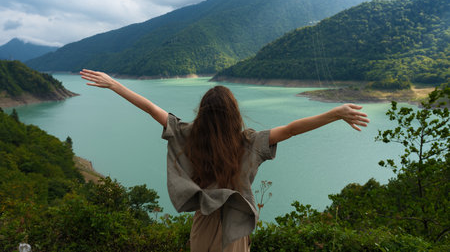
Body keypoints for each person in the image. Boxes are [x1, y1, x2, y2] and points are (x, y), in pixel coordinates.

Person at [80, 69, 369, 252]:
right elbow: (291, 129)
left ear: (203, 111)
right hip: (236, 226)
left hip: (203, 221)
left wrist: (114, 84)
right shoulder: (250, 143)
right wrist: (335, 114)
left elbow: (151, 109)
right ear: (234, 113)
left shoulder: (188, 135)